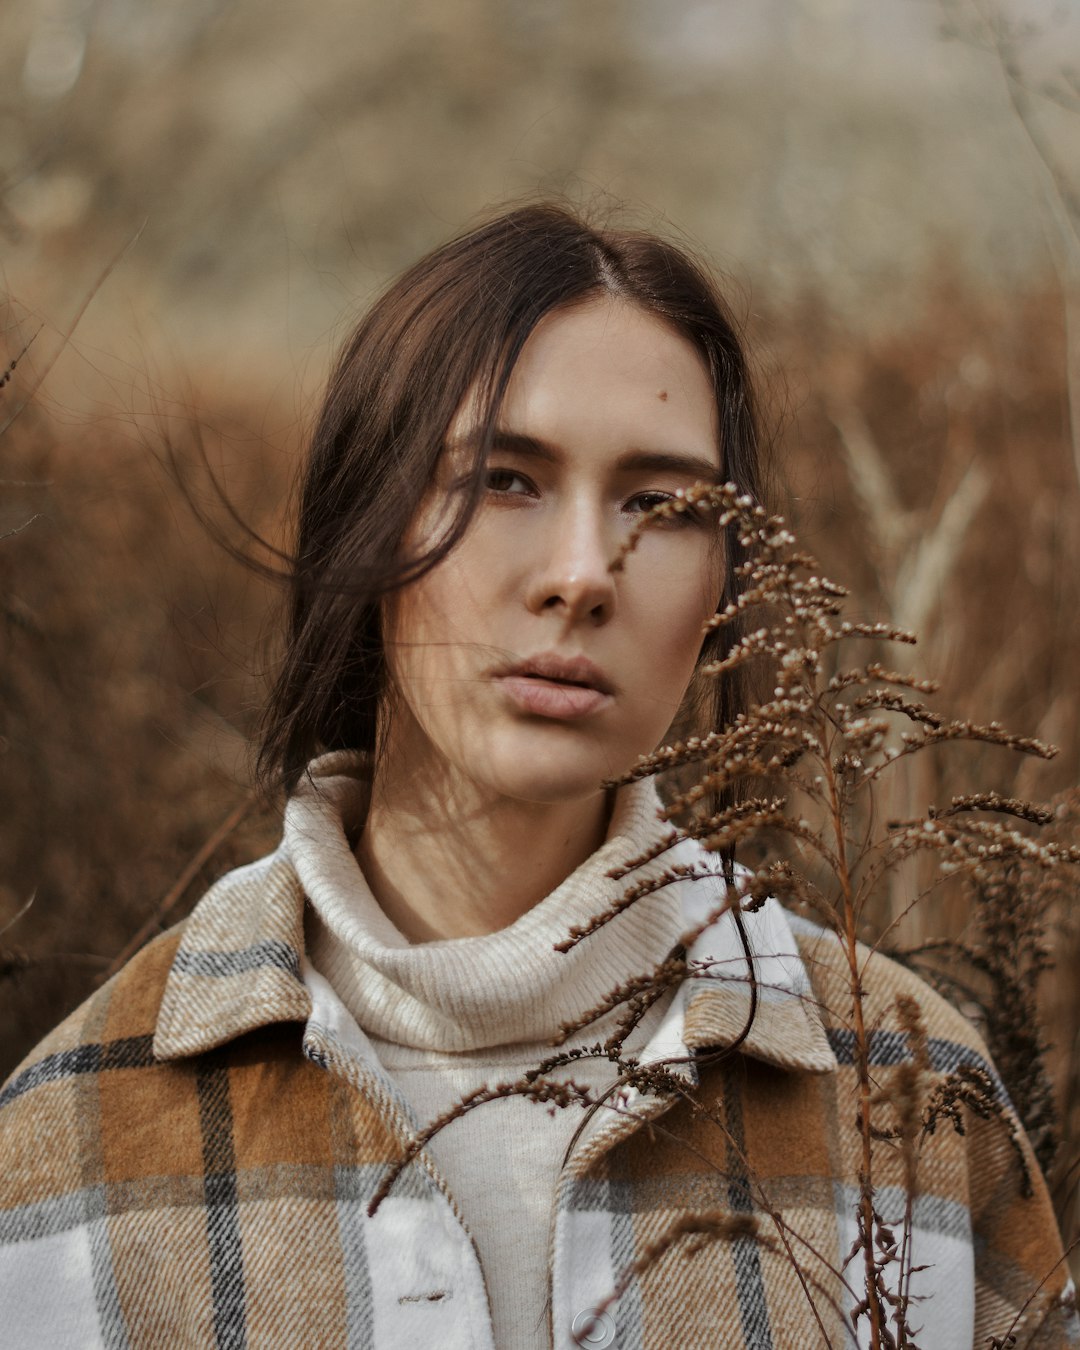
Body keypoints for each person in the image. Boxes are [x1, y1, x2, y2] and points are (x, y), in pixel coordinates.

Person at [0, 203, 1074, 1349]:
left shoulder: (908, 1100)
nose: (581, 576)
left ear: (725, 584)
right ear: (367, 521)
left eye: (661, 504)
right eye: (505, 479)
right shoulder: (74, 1142)